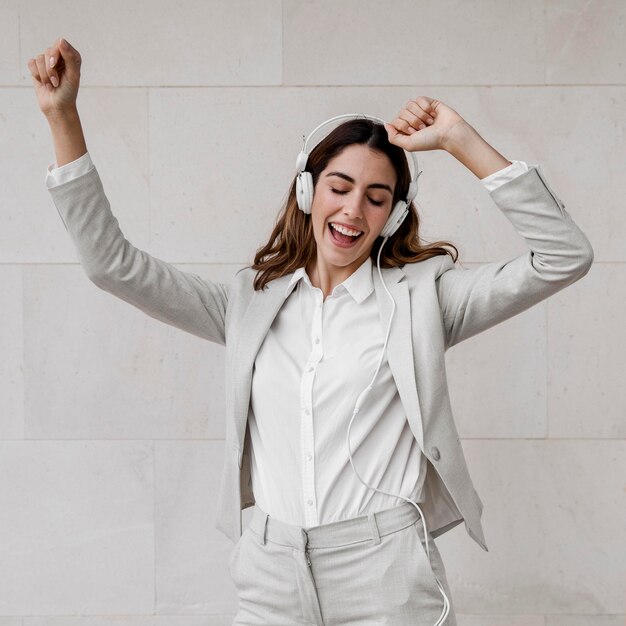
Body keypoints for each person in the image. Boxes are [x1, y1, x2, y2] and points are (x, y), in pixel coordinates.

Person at [29, 37, 594, 626]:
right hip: (270, 570)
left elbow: (564, 256)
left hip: (385, 573)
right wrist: (62, 116)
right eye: (339, 187)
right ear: (307, 191)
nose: (353, 212)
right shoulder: (248, 305)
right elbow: (111, 265)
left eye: (377, 199)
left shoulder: (426, 301)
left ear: (394, 216)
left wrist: (459, 140)